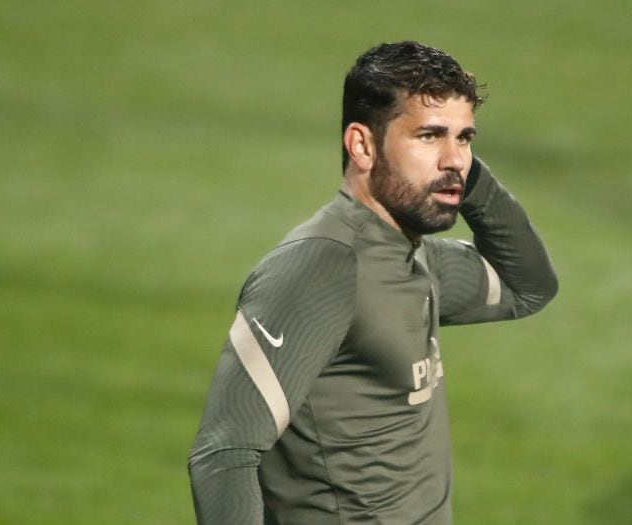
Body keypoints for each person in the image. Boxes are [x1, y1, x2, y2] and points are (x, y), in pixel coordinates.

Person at [188, 40, 558, 524]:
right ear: (362, 145)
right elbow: (226, 451)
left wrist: (454, 173)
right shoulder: (320, 268)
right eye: (429, 136)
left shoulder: (414, 255)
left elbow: (528, 284)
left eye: (464, 138)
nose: (456, 160)